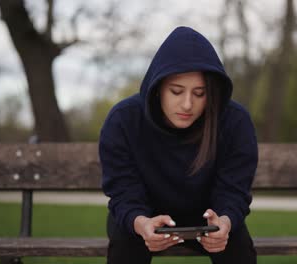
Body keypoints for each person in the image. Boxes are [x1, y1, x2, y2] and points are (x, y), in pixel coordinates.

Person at [99, 26, 258, 264]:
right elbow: (123, 190)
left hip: (210, 220)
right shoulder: (123, 120)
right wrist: (141, 222)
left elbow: (234, 191)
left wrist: (225, 221)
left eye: (199, 93)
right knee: (126, 241)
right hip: (143, 218)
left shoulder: (235, 122)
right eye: (176, 91)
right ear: (158, 88)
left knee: (236, 246)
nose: (187, 104)